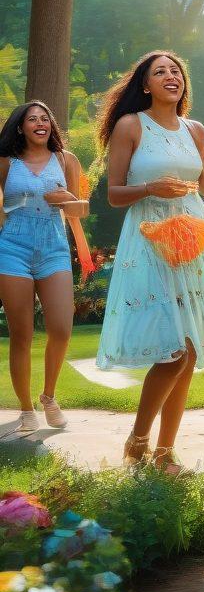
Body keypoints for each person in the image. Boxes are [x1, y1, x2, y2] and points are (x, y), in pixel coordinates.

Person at [95, 51, 204, 474]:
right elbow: (114, 194)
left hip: (190, 242)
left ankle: (165, 454)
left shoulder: (196, 130)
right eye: (160, 72)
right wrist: (150, 187)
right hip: (148, 239)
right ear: (145, 84)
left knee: (189, 353)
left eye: (176, 70)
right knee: (173, 352)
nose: (170, 76)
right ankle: (137, 442)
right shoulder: (130, 125)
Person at [0, 101, 88, 434]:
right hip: (13, 248)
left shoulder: (67, 160)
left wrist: (66, 199)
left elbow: (80, 210)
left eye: (45, 118)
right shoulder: (7, 164)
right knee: (21, 335)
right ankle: (26, 409)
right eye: (32, 119)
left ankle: (49, 396)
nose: (41, 123)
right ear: (20, 127)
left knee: (62, 329)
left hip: (53, 248)